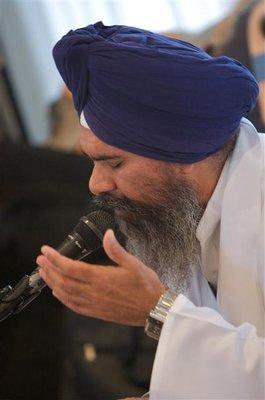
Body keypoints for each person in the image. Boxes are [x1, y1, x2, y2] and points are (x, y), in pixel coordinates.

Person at [36, 22, 264, 399]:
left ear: (185, 153)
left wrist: (159, 310)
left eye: (114, 164)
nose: (96, 185)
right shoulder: (188, 212)